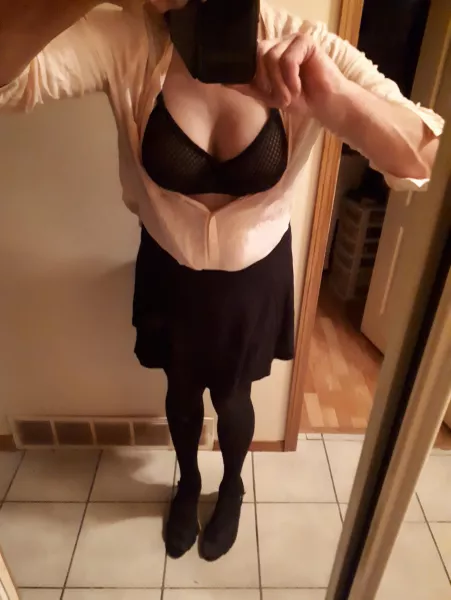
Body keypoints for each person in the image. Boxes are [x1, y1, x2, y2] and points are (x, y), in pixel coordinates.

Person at [0, 0, 444, 562]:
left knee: (234, 397)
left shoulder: (304, 45)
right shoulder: (125, 39)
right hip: (171, 266)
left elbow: (425, 157)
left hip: (253, 277)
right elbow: (12, 82)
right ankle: (187, 482)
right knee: (181, 392)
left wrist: (333, 98)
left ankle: (231, 486)